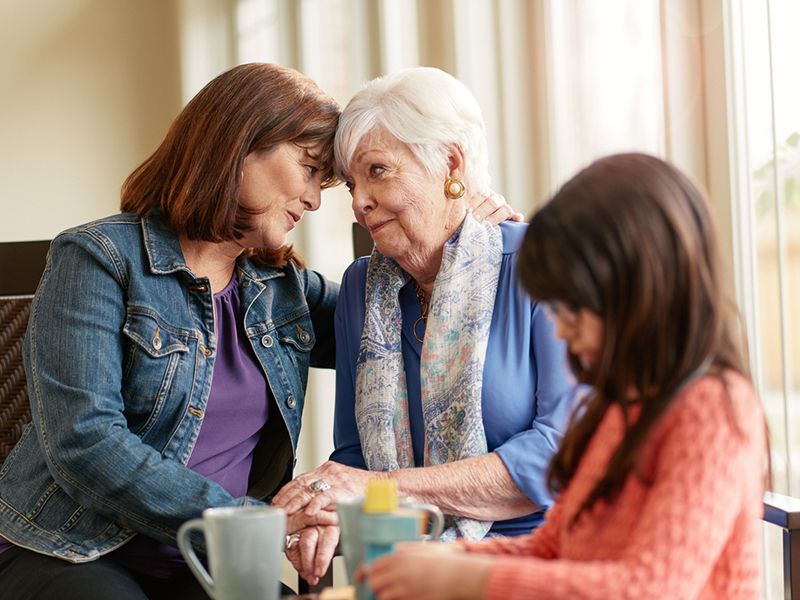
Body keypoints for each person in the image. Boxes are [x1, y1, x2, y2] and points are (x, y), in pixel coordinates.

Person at [0, 62, 516, 600]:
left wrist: (473, 242)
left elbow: (405, 328)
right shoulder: (99, 258)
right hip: (70, 549)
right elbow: (86, 442)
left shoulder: (280, 287)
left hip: (205, 563)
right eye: (310, 169)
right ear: (240, 143)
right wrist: (255, 519)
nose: (317, 200)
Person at [360, 153, 768, 600]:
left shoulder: (712, 410)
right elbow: (556, 546)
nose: (561, 327)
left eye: (573, 304)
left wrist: (467, 579)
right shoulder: (616, 407)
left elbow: (651, 589)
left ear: (638, 285)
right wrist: (450, 560)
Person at [272, 66, 575, 584]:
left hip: (537, 565)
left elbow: (559, 456)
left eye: (378, 171)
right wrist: (326, 515)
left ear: (450, 163)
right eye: (352, 181)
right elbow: (353, 459)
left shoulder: (540, 267)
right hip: (404, 569)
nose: (358, 201)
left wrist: (381, 487)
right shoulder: (360, 290)